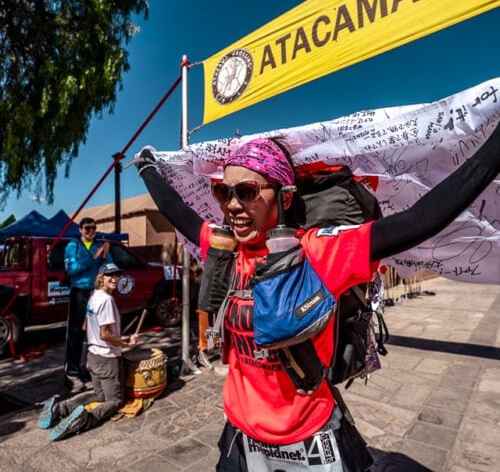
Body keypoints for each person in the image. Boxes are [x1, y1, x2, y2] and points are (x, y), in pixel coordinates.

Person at [136, 121, 499, 471]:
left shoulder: (319, 253)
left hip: (308, 437)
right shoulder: (225, 248)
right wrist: (147, 168)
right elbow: (177, 211)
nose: (231, 204)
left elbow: (423, 219)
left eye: (246, 191)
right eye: (223, 192)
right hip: (240, 433)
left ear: (286, 196)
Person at [37, 263, 138, 441]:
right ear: (101, 278)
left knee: (99, 395)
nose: (114, 278)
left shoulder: (93, 297)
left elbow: (85, 325)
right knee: (114, 401)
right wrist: (125, 342)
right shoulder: (107, 300)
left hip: (92, 356)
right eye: (109, 275)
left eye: (116, 275)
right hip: (107, 358)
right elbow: (105, 334)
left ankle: (59, 408)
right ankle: (84, 420)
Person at [63, 217, 113, 392]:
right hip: (79, 292)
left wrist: (105, 256)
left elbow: (109, 267)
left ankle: (91, 368)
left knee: (95, 333)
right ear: (80, 229)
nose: (91, 231)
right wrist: (94, 257)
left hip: (96, 293)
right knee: (75, 333)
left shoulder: (99, 245)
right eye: (87, 228)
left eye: (94, 228)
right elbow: (72, 269)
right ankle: (71, 374)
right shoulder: (73, 246)